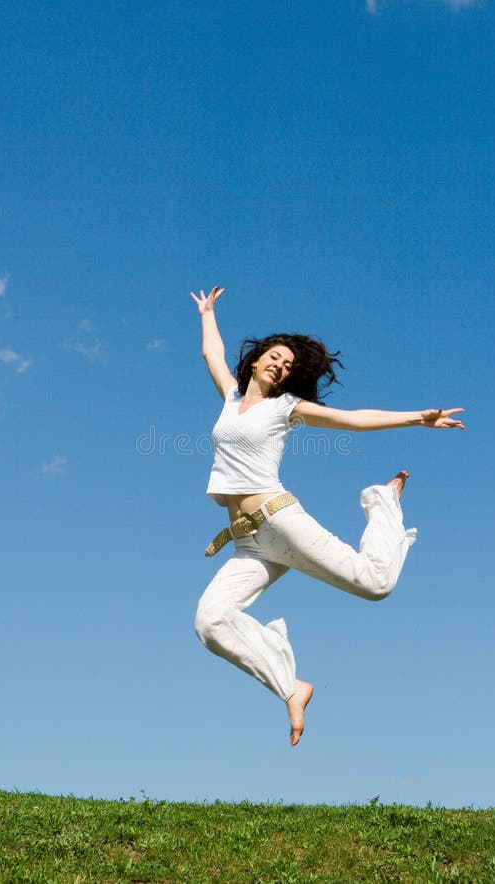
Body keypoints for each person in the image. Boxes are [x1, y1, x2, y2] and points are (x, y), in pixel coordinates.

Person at [190, 285, 464, 747]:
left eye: (288, 365)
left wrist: (417, 418)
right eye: (273, 357)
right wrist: (208, 313)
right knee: (210, 621)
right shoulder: (230, 397)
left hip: (281, 522)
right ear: (255, 361)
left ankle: (383, 500)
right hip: (248, 541)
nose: (280, 364)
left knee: (376, 584)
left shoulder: (286, 408)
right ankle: (291, 688)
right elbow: (211, 355)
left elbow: (354, 419)